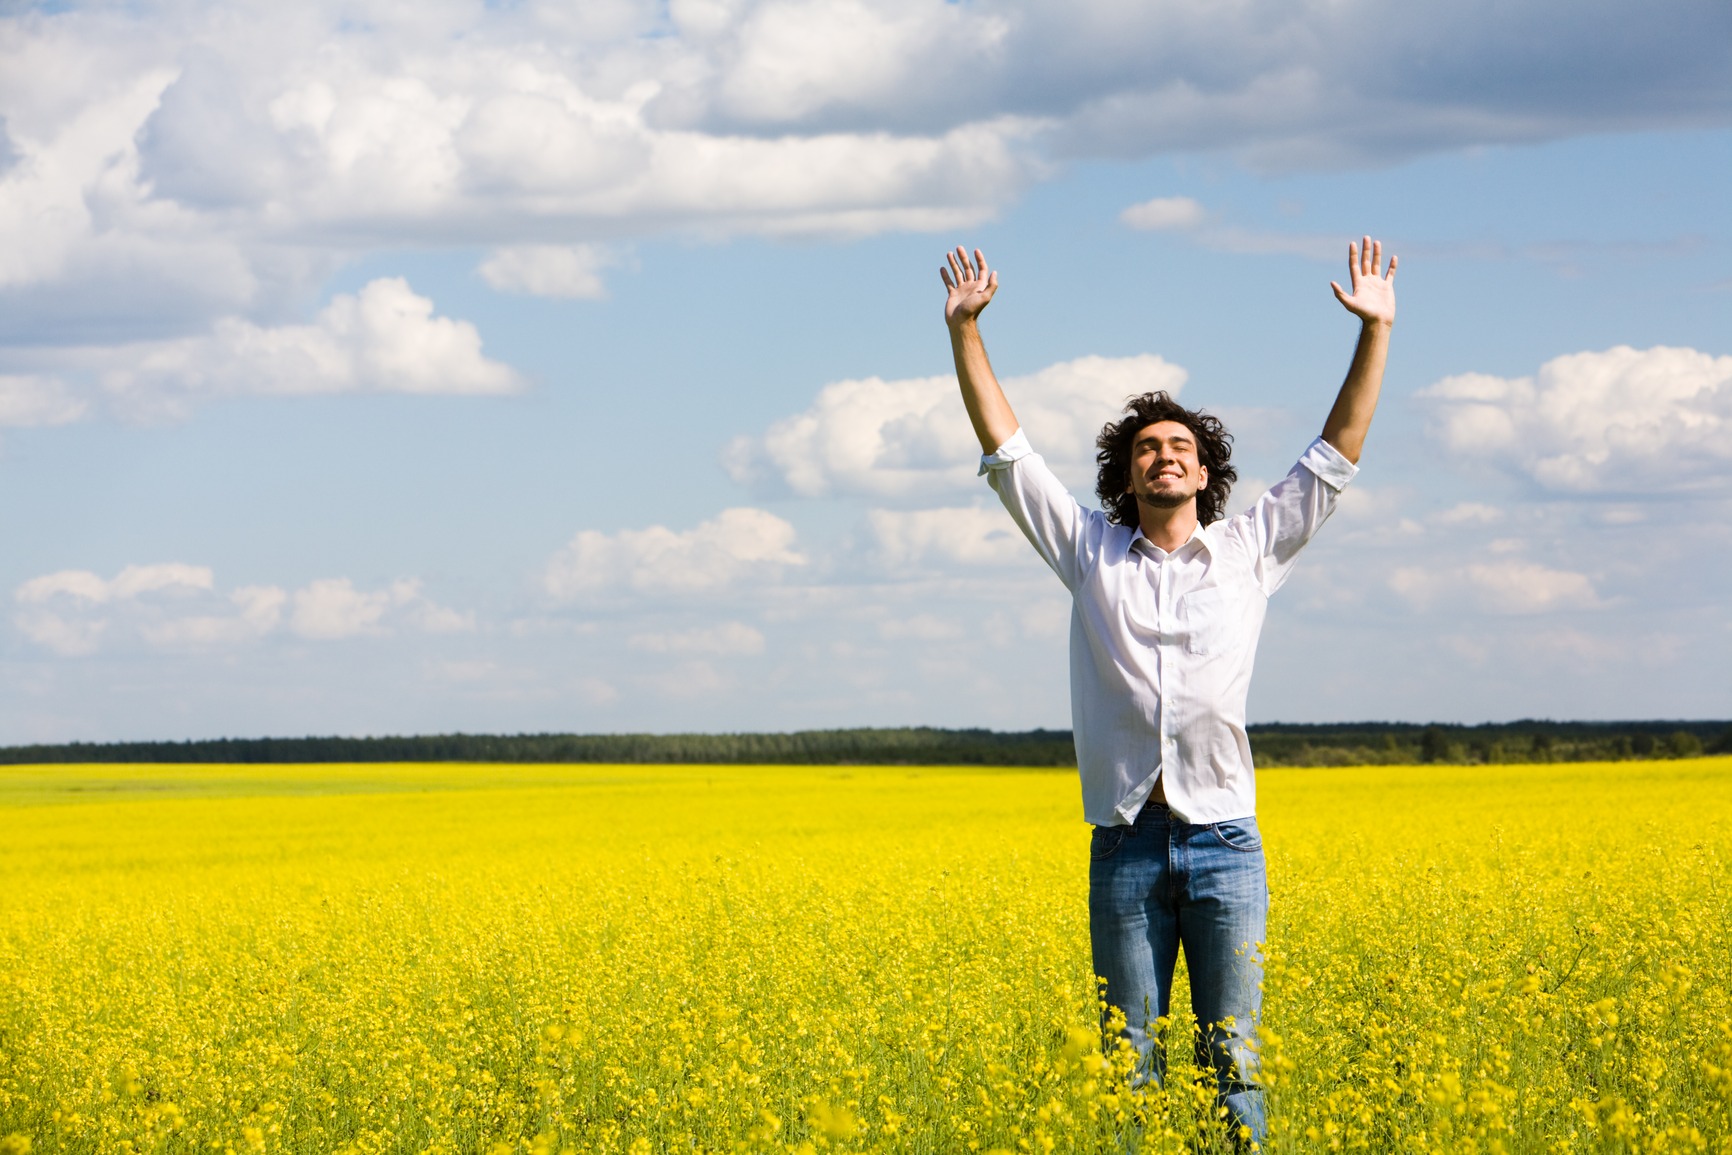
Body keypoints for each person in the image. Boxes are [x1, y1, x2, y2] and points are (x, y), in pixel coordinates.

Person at [940, 238, 1397, 1147]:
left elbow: (1335, 456)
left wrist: (1376, 330)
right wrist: (965, 332)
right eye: (1148, 449)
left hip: (1227, 841)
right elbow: (1008, 451)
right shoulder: (1088, 552)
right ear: (1128, 471)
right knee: (1130, 1065)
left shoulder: (1249, 549)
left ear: (1204, 469)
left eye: (1180, 447)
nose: (1164, 458)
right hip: (1126, 845)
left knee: (1236, 1063)